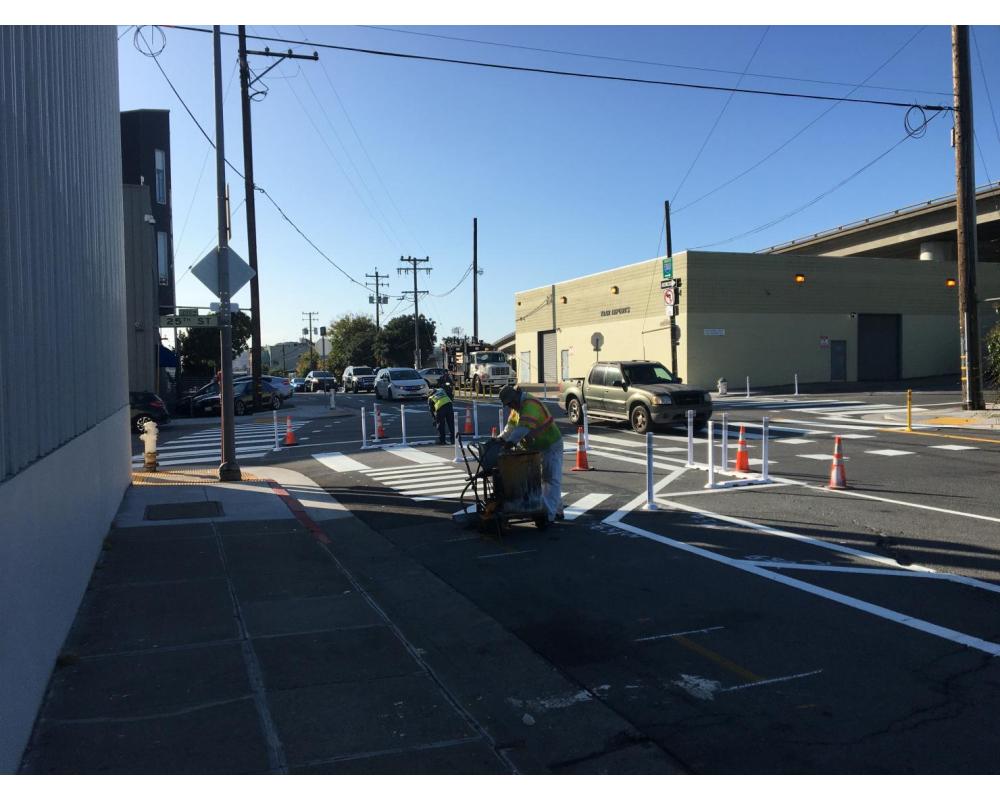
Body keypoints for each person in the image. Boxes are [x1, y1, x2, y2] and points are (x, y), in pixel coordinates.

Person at [497, 386, 564, 522]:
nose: (510, 406)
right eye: (508, 405)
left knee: (550, 479)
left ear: (515, 397)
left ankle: (549, 516)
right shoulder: (517, 408)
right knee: (546, 480)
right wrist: (500, 439)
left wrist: (509, 444)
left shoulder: (529, 405)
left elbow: (522, 429)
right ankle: (557, 510)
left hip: (550, 445)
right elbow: (510, 427)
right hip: (538, 447)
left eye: (510, 403)